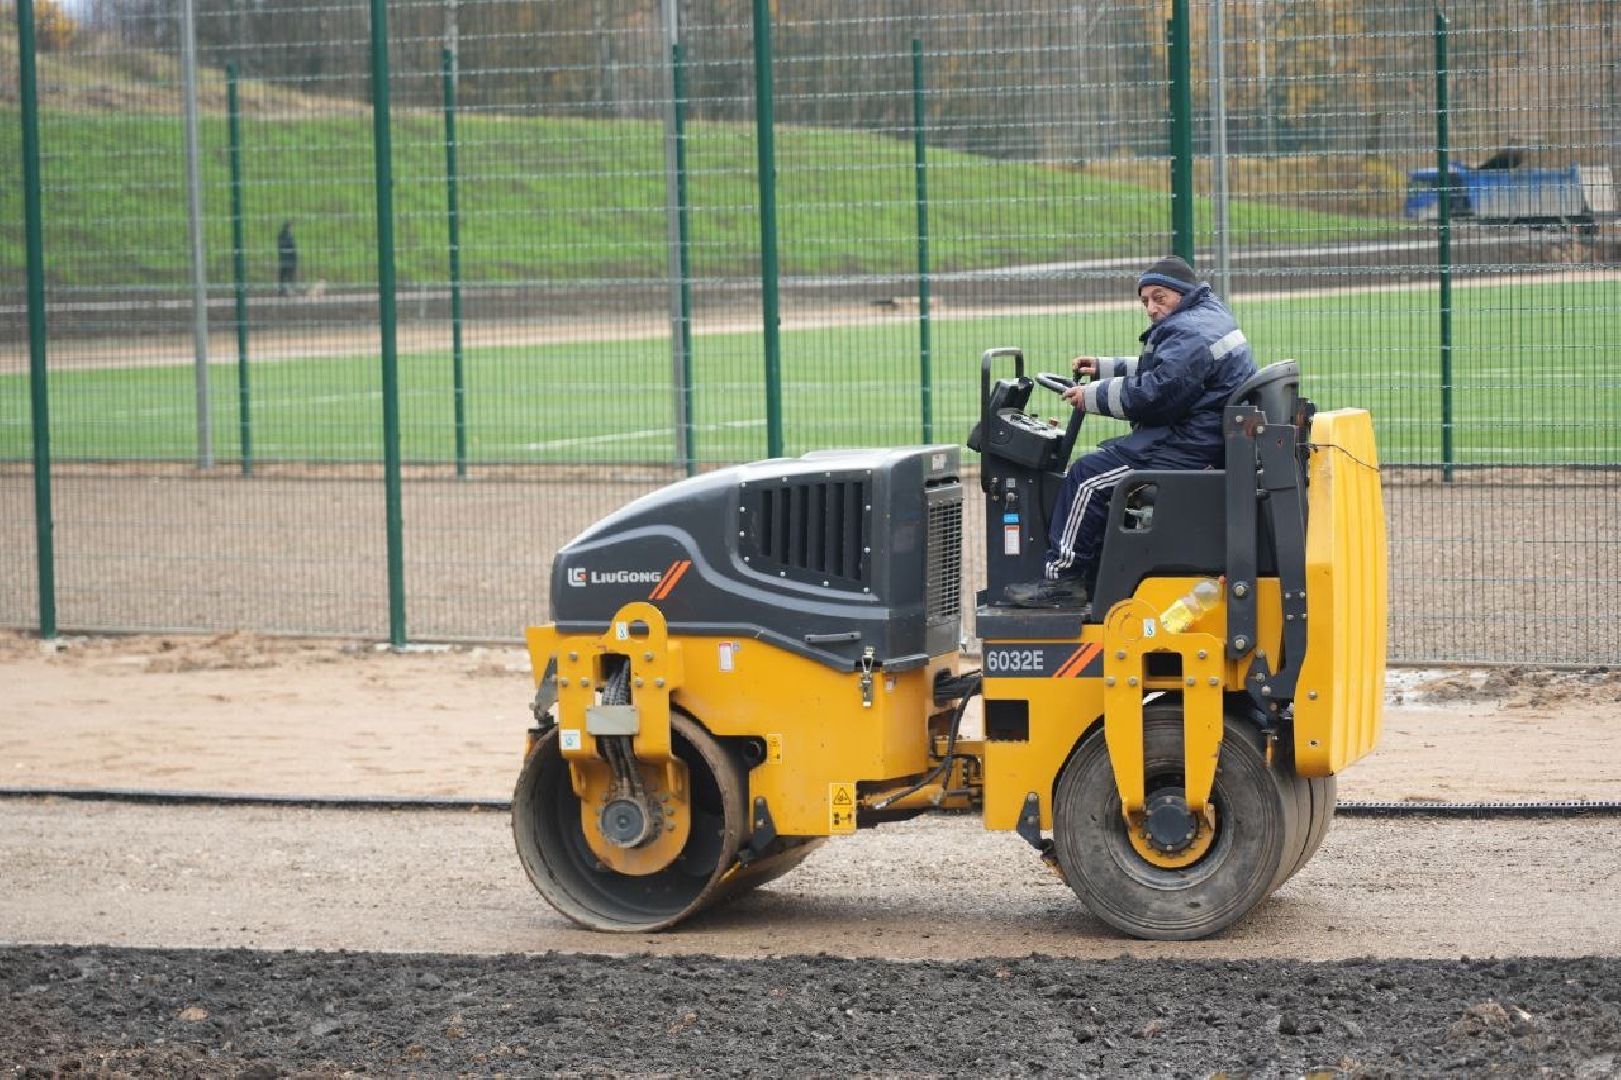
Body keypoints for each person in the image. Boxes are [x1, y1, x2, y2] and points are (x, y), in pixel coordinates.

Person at [1002, 256, 1257, 608]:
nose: (1151, 308)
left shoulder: (1190, 331)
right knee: (1099, 469)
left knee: (1086, 478)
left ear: (1182, 293)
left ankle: (1063, 581)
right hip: (1202, 439)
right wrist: (1106, 367)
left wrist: (1090, 396)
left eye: (1159, 297)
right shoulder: (1206, 318)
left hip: (1185, 447)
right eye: (1145, 301)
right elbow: (1173, 367)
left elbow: (1157, 394)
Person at [277, 221, 298, 297]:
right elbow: (292, 248)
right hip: (289, 259)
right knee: (289, 275)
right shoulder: (288, 236)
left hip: (283, 258)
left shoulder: (281, 236)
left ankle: (282, 290)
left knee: (283, 275)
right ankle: (288, 291)